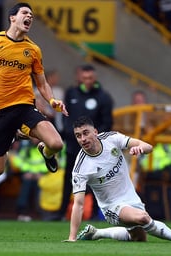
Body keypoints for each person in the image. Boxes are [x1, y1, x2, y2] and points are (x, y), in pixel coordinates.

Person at [65, 116, 171, 243]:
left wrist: (140, 149)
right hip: (112, 207)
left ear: (95, 132)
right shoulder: (81, 167)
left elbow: (148, 147)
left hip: (132, 199)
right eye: (78, 136)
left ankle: (96, 233)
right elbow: (79, 204)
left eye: (85, 133)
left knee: (138, 238)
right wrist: (72, 238)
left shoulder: (112, 138)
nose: (82, 139)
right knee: (143, 218)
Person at [0, 2, 68, 176]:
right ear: (12, 17)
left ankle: (44, 151)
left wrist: (51, 100)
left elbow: (41, 83)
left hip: (24, 107)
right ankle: (15, 133)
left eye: (31, 16)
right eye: (25, 13)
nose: (29, 17)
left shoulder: (33, 50)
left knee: (56, 144)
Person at [60, 64, 113, 220]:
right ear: (79, 78)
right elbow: (65, 116)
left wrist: (92, 139)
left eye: (90, 78)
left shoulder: (103, 97)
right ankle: (61, 213)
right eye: (84, 78)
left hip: (94, 149)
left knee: (97, 180)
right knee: (68, 180)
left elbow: (107, 123)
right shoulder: (71, 93)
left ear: (94, 78)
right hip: (72, 146)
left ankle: (98, 214)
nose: (87, 81)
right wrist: (71, 133)